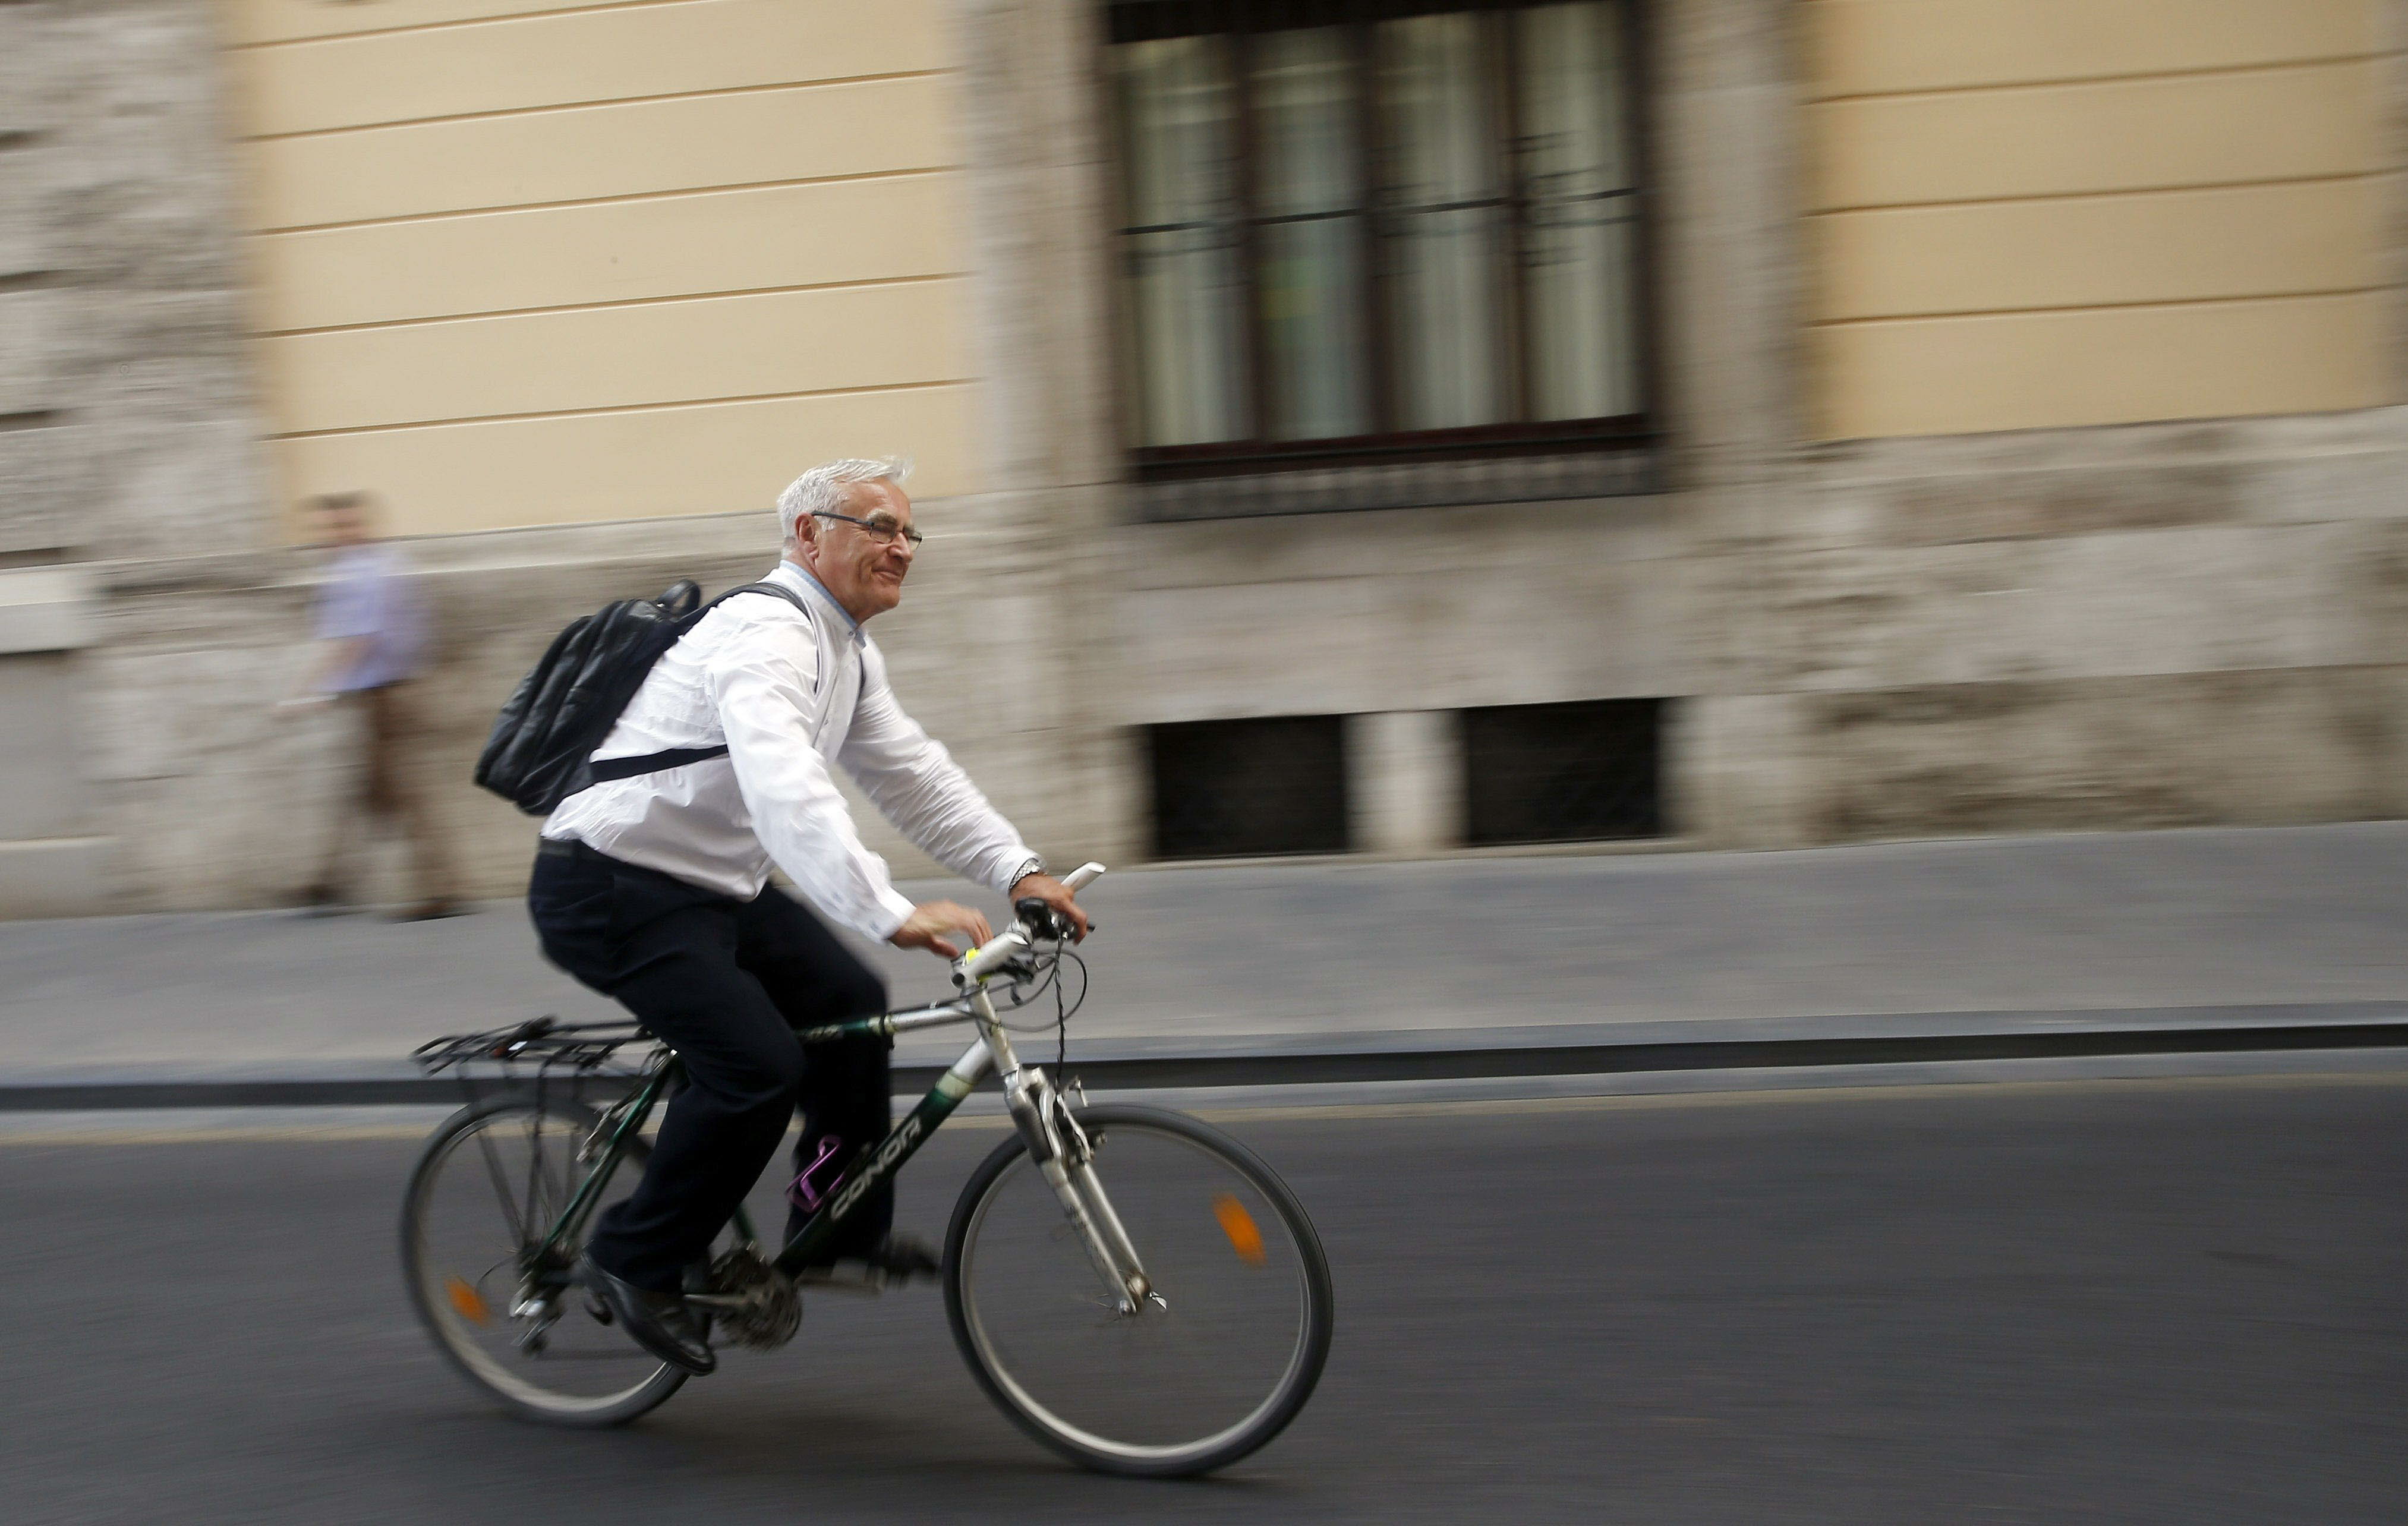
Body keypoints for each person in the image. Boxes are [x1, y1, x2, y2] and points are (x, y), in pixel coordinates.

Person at [528, 456, 1090, 1376]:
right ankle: (635, 1258)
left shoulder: (846, 653)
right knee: (755, 1068)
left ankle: (833, 1227)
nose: (901, 547)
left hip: (714, 887)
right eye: (878, 526)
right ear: (806, 537)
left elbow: (915, 778)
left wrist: (1019, 869)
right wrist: (883, 906)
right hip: (613, 886)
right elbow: (784, 786)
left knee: (850, 1011)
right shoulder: (765, 635)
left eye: (910, 532)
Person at [294, 491, 462, 920]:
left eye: (346, 525)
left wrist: (309, 691)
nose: (338, 534)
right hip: (388, 691)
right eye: (333, 526)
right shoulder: (386, 565)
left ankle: (439, 888)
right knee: (367, 790)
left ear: (363, 525)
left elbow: (356, 639)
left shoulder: (361, 573)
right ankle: (331, 880)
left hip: (384, 696)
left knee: (401, 793)